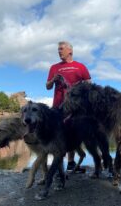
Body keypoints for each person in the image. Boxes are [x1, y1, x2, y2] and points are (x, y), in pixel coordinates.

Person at [46, 41, 91, 172]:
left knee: (73, 133)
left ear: (70, 51)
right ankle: (58, 164)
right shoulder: (54, 67)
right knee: (59, 133)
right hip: (58, 107)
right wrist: (53, 80)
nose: (59, 51)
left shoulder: (80, 67)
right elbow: (48, 87)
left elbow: (89, 84)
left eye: (61, 49)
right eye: (58, 49)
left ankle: (71, 163)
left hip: (75, 107)